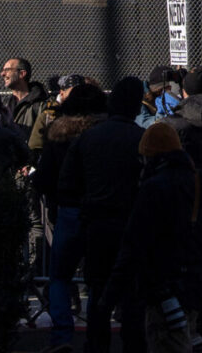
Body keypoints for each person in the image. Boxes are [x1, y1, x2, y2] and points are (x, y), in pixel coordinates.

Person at [62, 76, 149, 353]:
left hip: (97, 224)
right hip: (132, 225)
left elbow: (67, 184)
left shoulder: (89, 137)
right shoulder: (142, 139)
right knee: (132, 296)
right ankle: (132, 346)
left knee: (98, 291)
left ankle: (96, 345)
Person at [113, 121, 202, 353]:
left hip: (162, 286)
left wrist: (111, 294)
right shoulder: (199, 183)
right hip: (194, 282)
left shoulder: (152, 188)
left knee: (165, 341)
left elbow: (134, 243)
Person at [38, 81, 106, 353]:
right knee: (98, 277)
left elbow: (44, 178)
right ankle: (96, 334)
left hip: (67, 210)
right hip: (100, 210)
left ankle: (62, 336)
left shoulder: (58, 135)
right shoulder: (105, 134)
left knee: (60, 276)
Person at [0, 57, 49, 133]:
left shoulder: (41, 104)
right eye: (3, 70)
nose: (2, 74)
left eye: (7, 70)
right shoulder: (4, 104)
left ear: (22, 74)